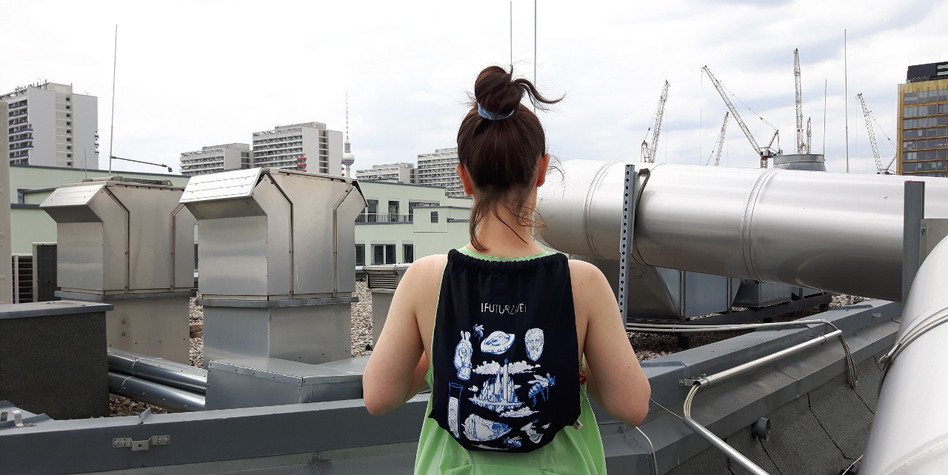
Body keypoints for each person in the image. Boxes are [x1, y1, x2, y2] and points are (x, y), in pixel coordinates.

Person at [363, 65, 650, 473]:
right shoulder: (583, 282)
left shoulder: (425, 279)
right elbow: (633, 405)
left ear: (464, 178)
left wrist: (437, 354)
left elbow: (378, 396)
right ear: (541, 170)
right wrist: (574, 363)